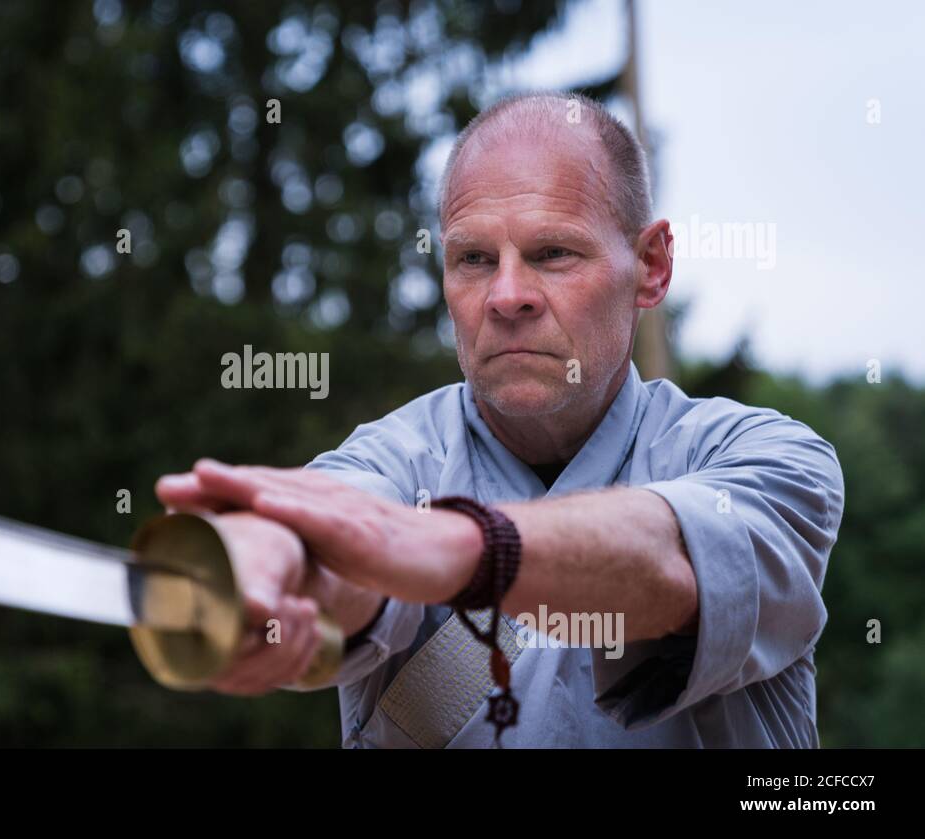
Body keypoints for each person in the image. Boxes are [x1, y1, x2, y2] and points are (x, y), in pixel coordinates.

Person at [156, 92, 844, 748]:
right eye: (475, 259)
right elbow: (342, 542)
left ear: (651, 265)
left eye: (552, 254)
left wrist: (456, 550)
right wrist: (273, 562)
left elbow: (677, 564)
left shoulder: (770, 461)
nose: (507, 296)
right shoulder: (393, 463)